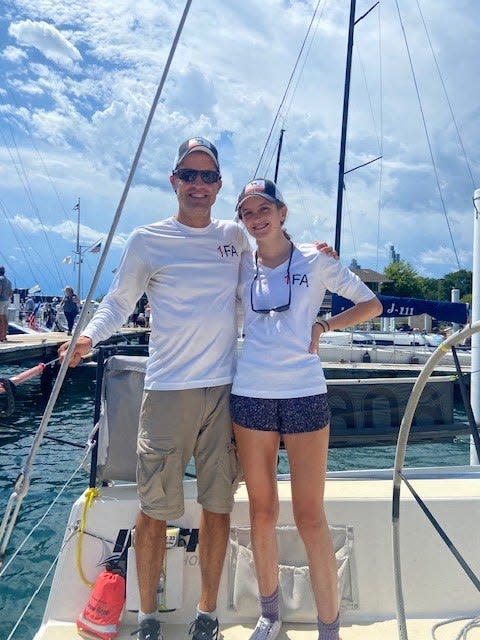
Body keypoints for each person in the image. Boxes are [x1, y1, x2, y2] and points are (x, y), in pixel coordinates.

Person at [59, 138, 336, 640]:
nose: (199, 185)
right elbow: (119, 301)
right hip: (168, 390)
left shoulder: (233, 235)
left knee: (218, 505)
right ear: (174, 180)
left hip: (226, 390)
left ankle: (206, 614)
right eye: (190, 175)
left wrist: (317, 253)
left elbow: (276, 251)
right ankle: (146, 618)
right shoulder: (148, 239)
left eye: (209, 177)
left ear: (219, 185)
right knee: (153, 509)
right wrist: (88, 337)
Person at [231, 178, 383, 640]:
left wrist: (325, 323)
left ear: (282, 212)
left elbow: (371, 305)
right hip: (251, 393)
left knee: (309, 515)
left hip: (304, 393)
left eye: (264, 210)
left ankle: (328, 626)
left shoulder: (317, 261)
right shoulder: (240, 264)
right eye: (248, 213)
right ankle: (270, 614)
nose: (257, 219)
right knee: (260, 511)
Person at [0, 266, 13, 342]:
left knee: (0, 318)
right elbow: (11, 292)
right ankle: (4, 336)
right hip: (6, 300)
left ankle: (1, 337)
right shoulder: (8, 281)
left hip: (1, 300)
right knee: (4, 318)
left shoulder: (0, 279)